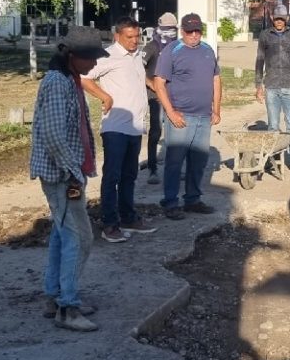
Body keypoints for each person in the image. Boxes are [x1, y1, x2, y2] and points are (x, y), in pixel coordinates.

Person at [30, 26, 108, 332]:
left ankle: (55, 296)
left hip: (69, 172)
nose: (94, 65)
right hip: (62, 175)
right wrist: (73, 172)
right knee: (80, 237)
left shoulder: (70, 80)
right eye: (90, 59)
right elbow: (53, 135)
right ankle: (68, 308)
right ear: (72, 56)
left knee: (63, 235)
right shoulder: (56, 83)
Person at [81, 16, 157, 243]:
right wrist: (104, 96)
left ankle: (128, 218)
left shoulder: (136, 56)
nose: (135, 41)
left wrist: (157, 87)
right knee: (112, 176)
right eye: (129, 37)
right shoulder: (107, 56)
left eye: (137, 36)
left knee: (129, 176)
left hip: (135, 127)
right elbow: (84, 77)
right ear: (117, 36)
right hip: (115, 127)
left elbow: (138, 79)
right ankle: (109, 224)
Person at [154, 12, 222, 220]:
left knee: (198, 161)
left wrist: (216, 109)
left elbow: (216, 79)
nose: (194, 35)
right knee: (175, 161)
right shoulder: (172, 51)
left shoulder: (208, 50)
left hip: (204, 116)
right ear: (182, 31)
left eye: (197, 31)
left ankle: (192, 199)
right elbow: (159, 83)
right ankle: (171, 202)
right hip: (181, 116)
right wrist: (171, 112)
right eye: (190, 31)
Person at [255, 3, 290, 177]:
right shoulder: (265, 35)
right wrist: (258, 86)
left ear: (286, 18)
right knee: (273, 127)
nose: (279, 21)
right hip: (271, 86)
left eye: (282, 18)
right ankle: (272, 161)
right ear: (272, 18)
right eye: (276, 18)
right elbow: (259, 61)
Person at [142, 12, 179, 185]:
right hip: (156, 97)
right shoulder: (151, 47)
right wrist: (151, 84)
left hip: (174, 96)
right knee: (156, 131)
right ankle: (152, 168)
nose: (170, 33)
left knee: (176, 132)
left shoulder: (178, 46)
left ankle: (175, 168)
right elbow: (137, 69)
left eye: (173, 30)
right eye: (166, 29)